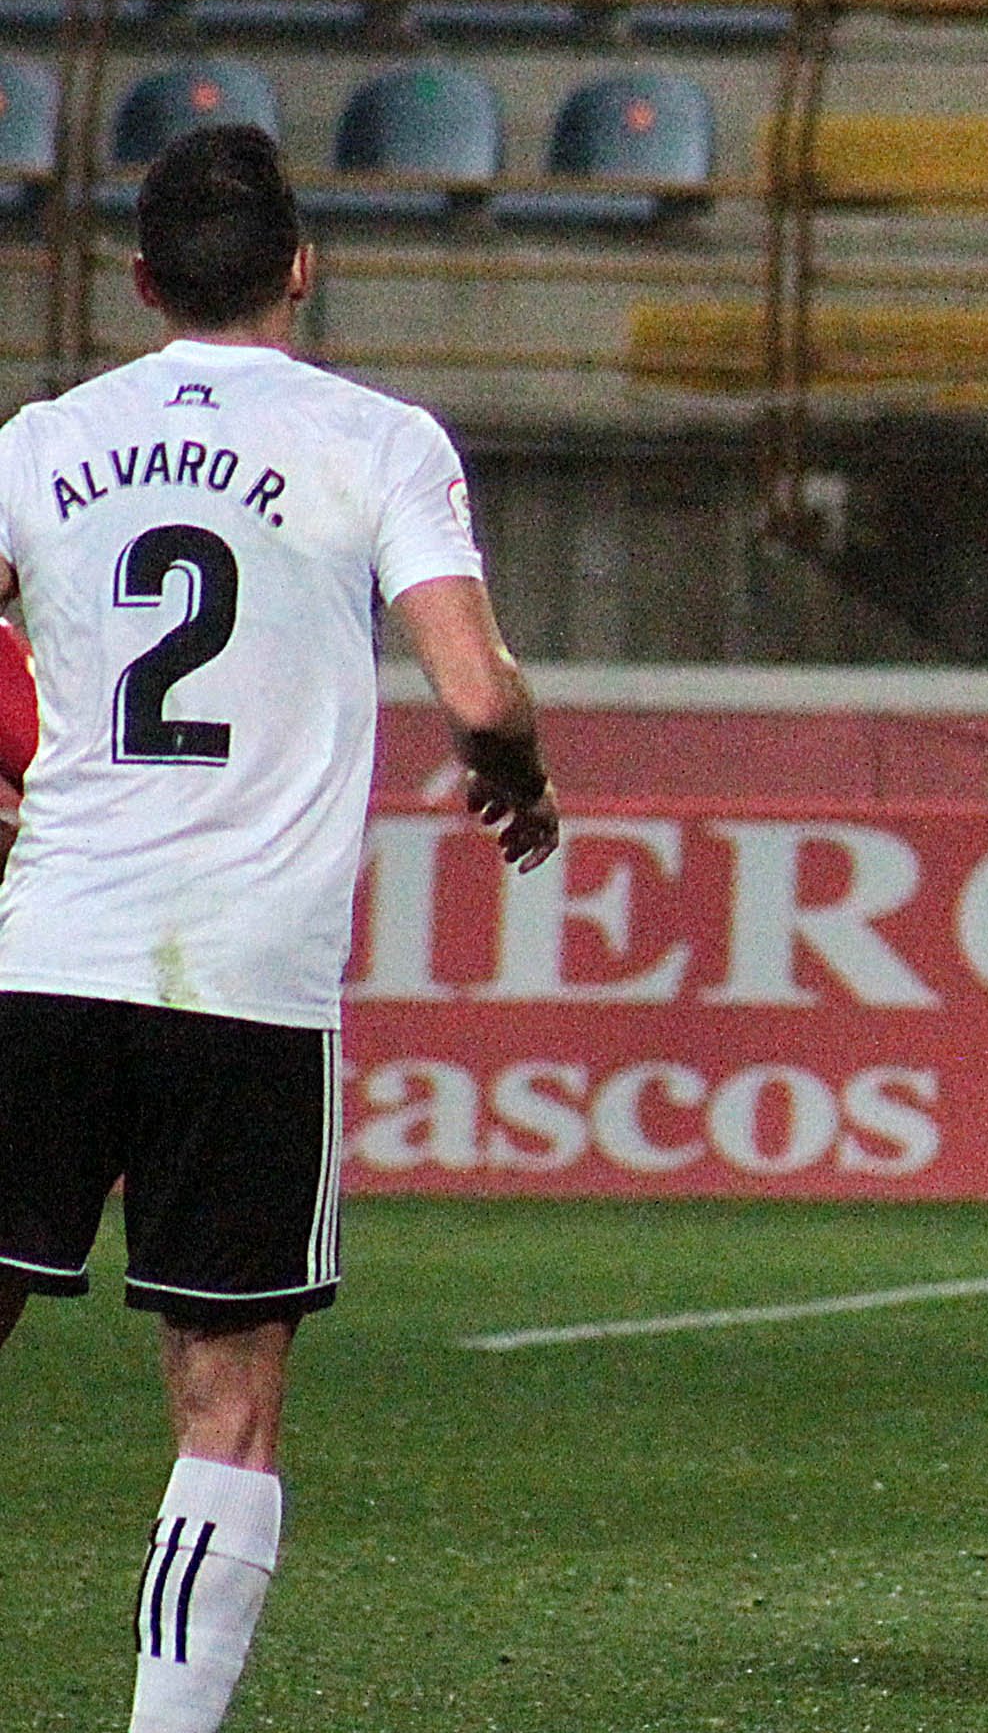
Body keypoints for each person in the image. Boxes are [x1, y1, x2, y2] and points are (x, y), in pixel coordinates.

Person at [0, 127, 561, 1733]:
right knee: (225, 1409)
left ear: (141, 279)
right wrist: (515, 771)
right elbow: (474, 689)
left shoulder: (41, 440)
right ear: (302, 267)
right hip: (244, 983)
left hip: (45, 957)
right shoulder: (376, 441)